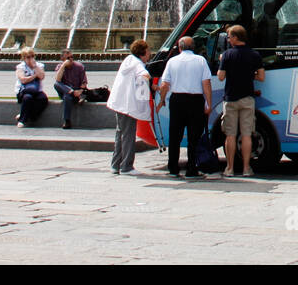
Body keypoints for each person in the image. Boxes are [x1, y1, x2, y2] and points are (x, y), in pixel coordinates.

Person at [156, 36, 214, 178]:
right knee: (194, 136)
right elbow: (206, 83)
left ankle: (173, 168)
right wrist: (209, 103)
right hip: (195, 101)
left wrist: (162, 99)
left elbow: (164, 84)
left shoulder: (172, 61)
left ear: (179, 47)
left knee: (175, 135)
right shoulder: (201, 61)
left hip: (177, 100)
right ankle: (191, 168)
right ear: (194, 47)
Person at [216, 25, 264, 176]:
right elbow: (261, 77)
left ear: (236, 38)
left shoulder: (227, 55)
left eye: (229, 37)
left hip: (230, 98)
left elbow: (220, 76)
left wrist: (221, 62)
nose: (228, 40)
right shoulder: (255, 55)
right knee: (246, 135)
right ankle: (246, 168)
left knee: (230, 135)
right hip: (247, 98)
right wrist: (250, 75)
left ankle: (229, 168)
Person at [107, 39, 151, 175]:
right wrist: (148, 77)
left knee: (120, 133)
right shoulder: (138, 64)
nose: (150, 54)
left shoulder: (128, 60)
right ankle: (127, 166)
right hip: (128, 105)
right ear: (143, 52)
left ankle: (115, 165)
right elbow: (143, 74)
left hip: (119, 103)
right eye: (148, 51)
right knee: (128, 135)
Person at [53, 49, 89, 129]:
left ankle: (67, 121)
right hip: (68, 91)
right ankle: (72, 92)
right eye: (68, 58)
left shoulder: (79, 66)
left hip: (76, 92)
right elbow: (58, 80)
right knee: (56, 84)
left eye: (72, 57)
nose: (71, 59)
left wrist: (80, 91)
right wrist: (63, 66)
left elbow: (84, 83)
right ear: (62, 59)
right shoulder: (60, 67)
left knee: (67, 96)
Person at [14, 48, 49, 127]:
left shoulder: (39, 65)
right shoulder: (21, 67)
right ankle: (22, 120)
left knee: (43, 99)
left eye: (32, 56)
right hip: (24, 90)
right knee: (27, 98)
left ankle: (27, 115)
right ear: (24, 58)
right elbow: (23, 80)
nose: (31, 59)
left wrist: (35, 67)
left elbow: (42, 76)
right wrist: (34, 76)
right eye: (28, 57)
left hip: (36, 91)